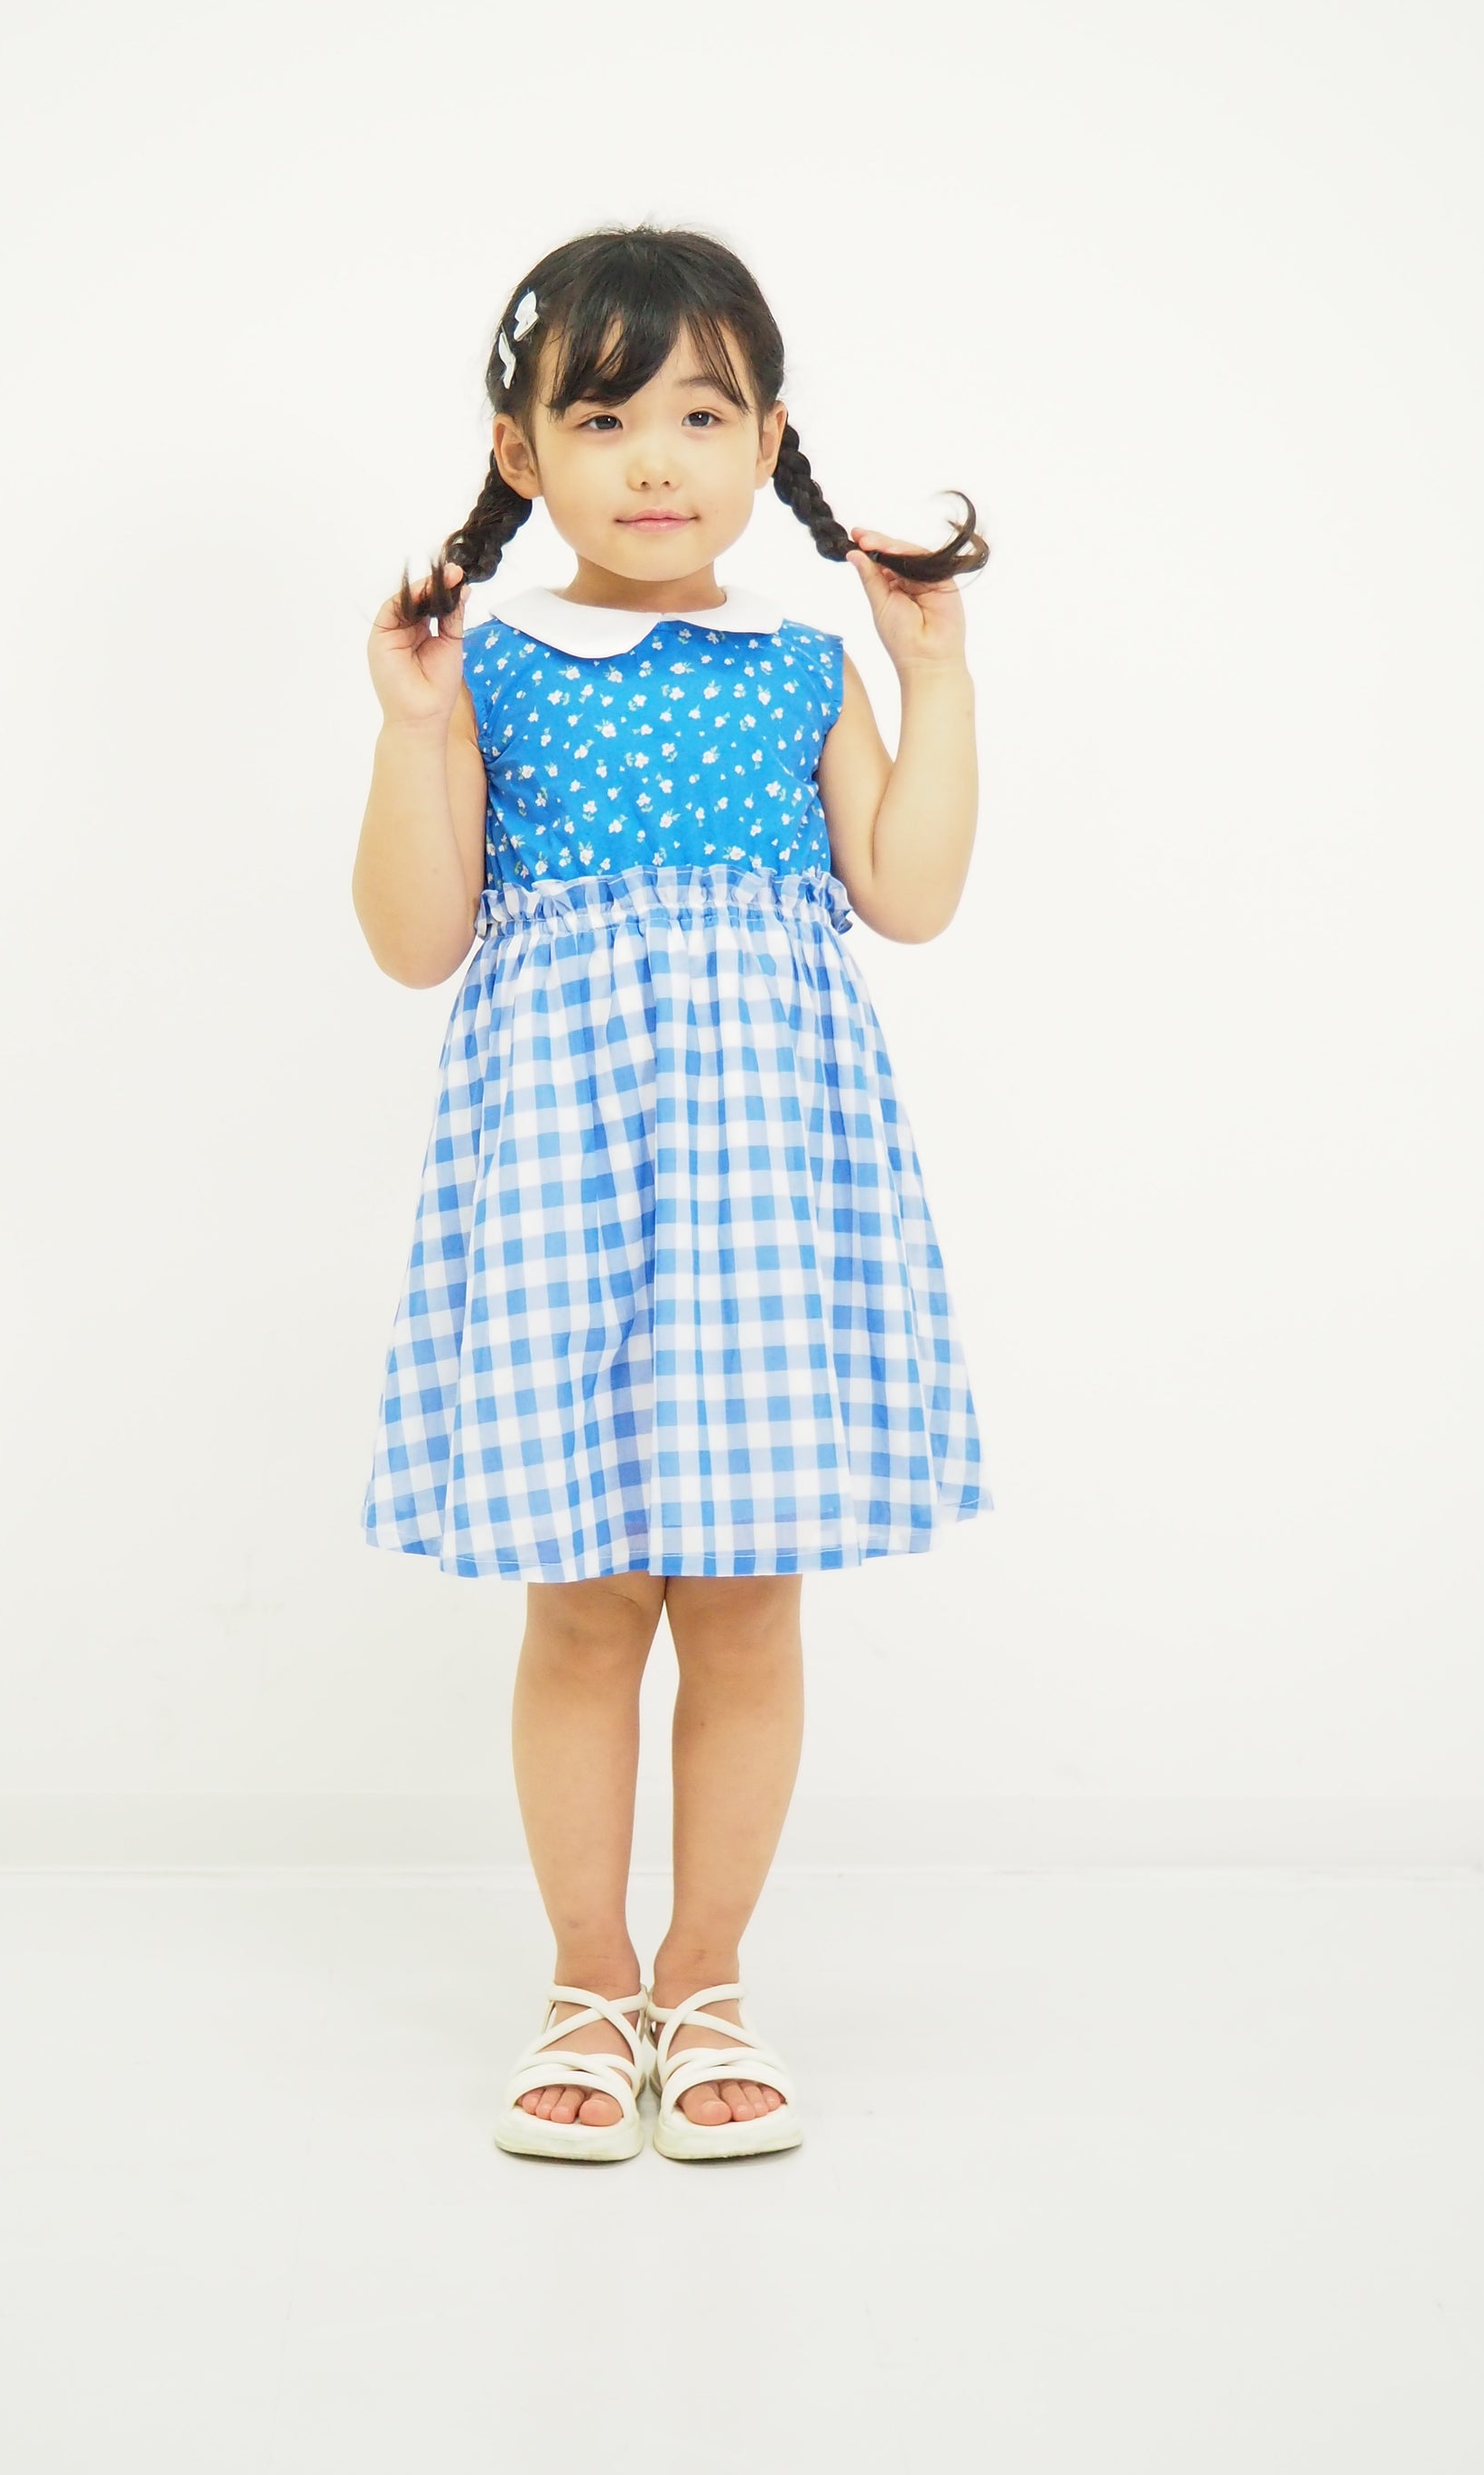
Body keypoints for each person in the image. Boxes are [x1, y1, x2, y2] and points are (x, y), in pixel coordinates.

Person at [351, 225, 992, 2162]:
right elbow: (414, 940)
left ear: (768, 438)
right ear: (520, 450)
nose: (655, 459)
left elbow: (908, 892)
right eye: (603, 416)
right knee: (580, 1606)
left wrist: (934, 672)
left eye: (703, 416)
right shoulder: (495, 670)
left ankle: (706, 1978)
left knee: (741, 1601)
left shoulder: (800, 665)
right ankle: (586, 1973)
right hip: (565, 1176)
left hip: (764, 1186)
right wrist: (409, 726)